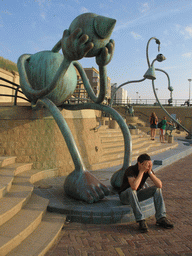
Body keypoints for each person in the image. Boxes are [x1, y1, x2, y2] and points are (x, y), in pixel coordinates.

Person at [118, 153, 174, 233]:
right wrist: (141, 172)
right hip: (125, 196)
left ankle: (161, 218)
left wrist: (150, 172)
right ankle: (140, 220)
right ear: (139, 164)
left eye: (149, 164)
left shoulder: (148, 170)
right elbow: (134, 187)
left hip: (136, 195)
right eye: (146, 165)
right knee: (132, 190)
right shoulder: (130, 170)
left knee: (157, 189)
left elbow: (159, 185)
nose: (148, 167)